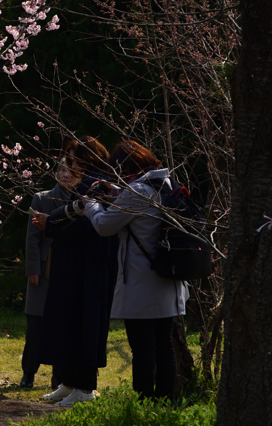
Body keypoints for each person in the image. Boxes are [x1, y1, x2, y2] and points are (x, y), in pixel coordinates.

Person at [83, 140, 189, 401]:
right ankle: (167, 403)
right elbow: (141, 206)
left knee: (142, 349)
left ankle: (144, 404)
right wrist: (116, 190)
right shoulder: (167, 184)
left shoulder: (137, 191)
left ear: (126, 167)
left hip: (142, 281)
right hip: (170, 278)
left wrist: (90, 205)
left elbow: (105, 225)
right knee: (164, 346)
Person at [31, 136, 116, 406]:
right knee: (66, 322)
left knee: (84, 325)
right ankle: (68, 383)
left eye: (74, 156)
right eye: (67, 156)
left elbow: (90, 226)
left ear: (89, 158)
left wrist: (51, 224)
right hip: (70, 264)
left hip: (89, 267)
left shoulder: (98, 186)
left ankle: (85, 387)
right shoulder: (83, 185)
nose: (69, 162)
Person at [19, 163, 70, 389]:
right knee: (36, 326)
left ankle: (59, 378)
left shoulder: (84, 200)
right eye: (62, 171)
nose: (66, 175)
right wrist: (33, 269)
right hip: (43, 267)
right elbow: (32, 237)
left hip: (69, 268)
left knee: (63, 326)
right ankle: (28, 373)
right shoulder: (41, 198)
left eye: (71, 171)